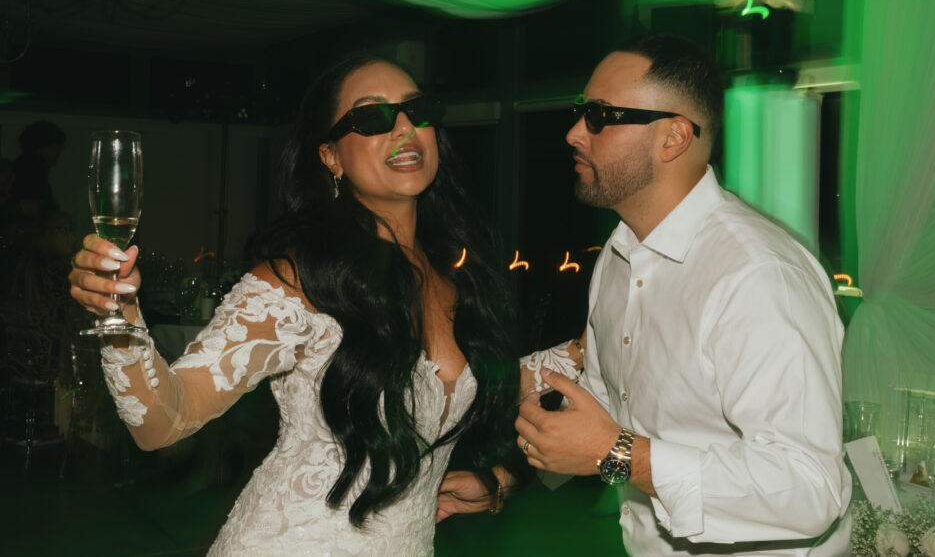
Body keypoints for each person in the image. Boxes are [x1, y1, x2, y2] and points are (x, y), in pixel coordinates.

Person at [69, 53, 579, 555]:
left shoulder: (453, 274)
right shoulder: (295, 282)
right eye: (372, 116)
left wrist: (588, 351)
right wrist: (118, 314)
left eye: (416, 111)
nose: (404, 128)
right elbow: (162, 423)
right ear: (330, 156)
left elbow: (479, 383)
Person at [508, 33, 851, 555]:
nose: (575, 133)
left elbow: (809, 487)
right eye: (581, 112)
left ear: (672, 138)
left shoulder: (757, 274)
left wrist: (619, 455)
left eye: (599, 116)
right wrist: (508, 473)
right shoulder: (617, 259)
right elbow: (613, 410)